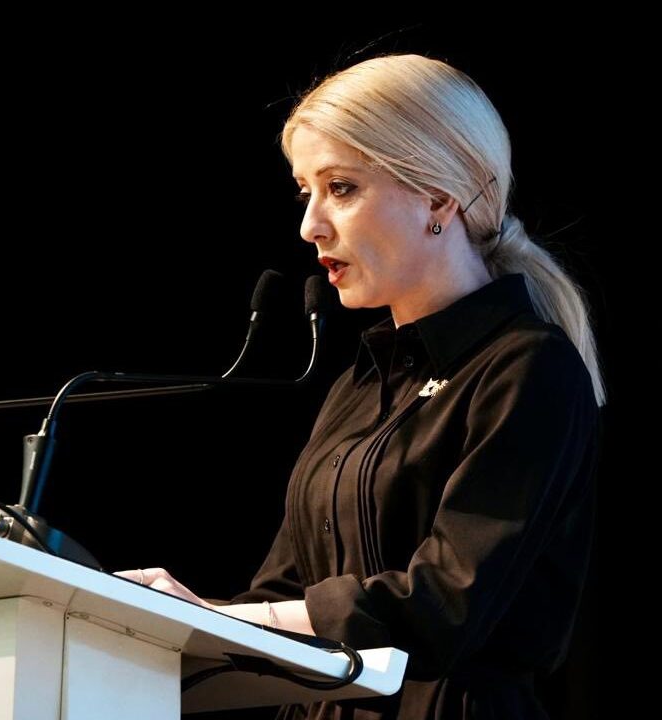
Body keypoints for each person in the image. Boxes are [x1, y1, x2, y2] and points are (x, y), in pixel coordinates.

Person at [114, 53, 606, 719]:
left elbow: (443, 605)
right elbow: (282, 592)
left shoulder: (528, 368)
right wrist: (152, 616)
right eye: (305, 193)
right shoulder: (357, 384)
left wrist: (212, 616)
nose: (309, 226)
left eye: (341, 188)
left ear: (439, 197)